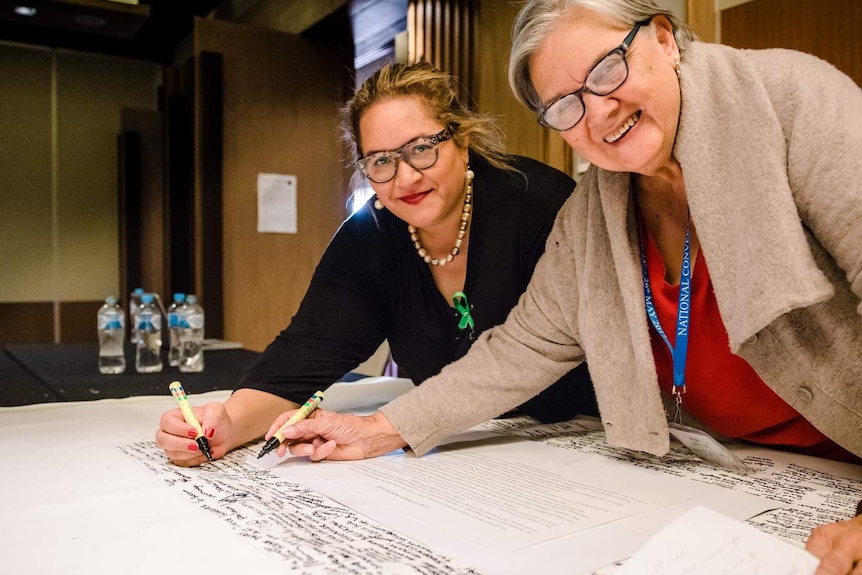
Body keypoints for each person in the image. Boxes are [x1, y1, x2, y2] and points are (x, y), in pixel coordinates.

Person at [267, 1, 862, 572]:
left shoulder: (792, 100)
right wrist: (381, 429)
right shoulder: (594, 209)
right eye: (564, 105)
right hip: (750, 473)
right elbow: (527, 344)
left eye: (607, 70)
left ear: (662, 38)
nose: (597, 111)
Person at [155, 61, 598, 466]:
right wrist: (228, 424)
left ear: (462, 142)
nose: (405, 177)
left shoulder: (539, 205)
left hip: (583, 446)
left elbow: (542, 352)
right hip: (453, 458)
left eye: (422, 149)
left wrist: (381, 429)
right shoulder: (369, 238)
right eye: (382, 161)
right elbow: (298, 361)